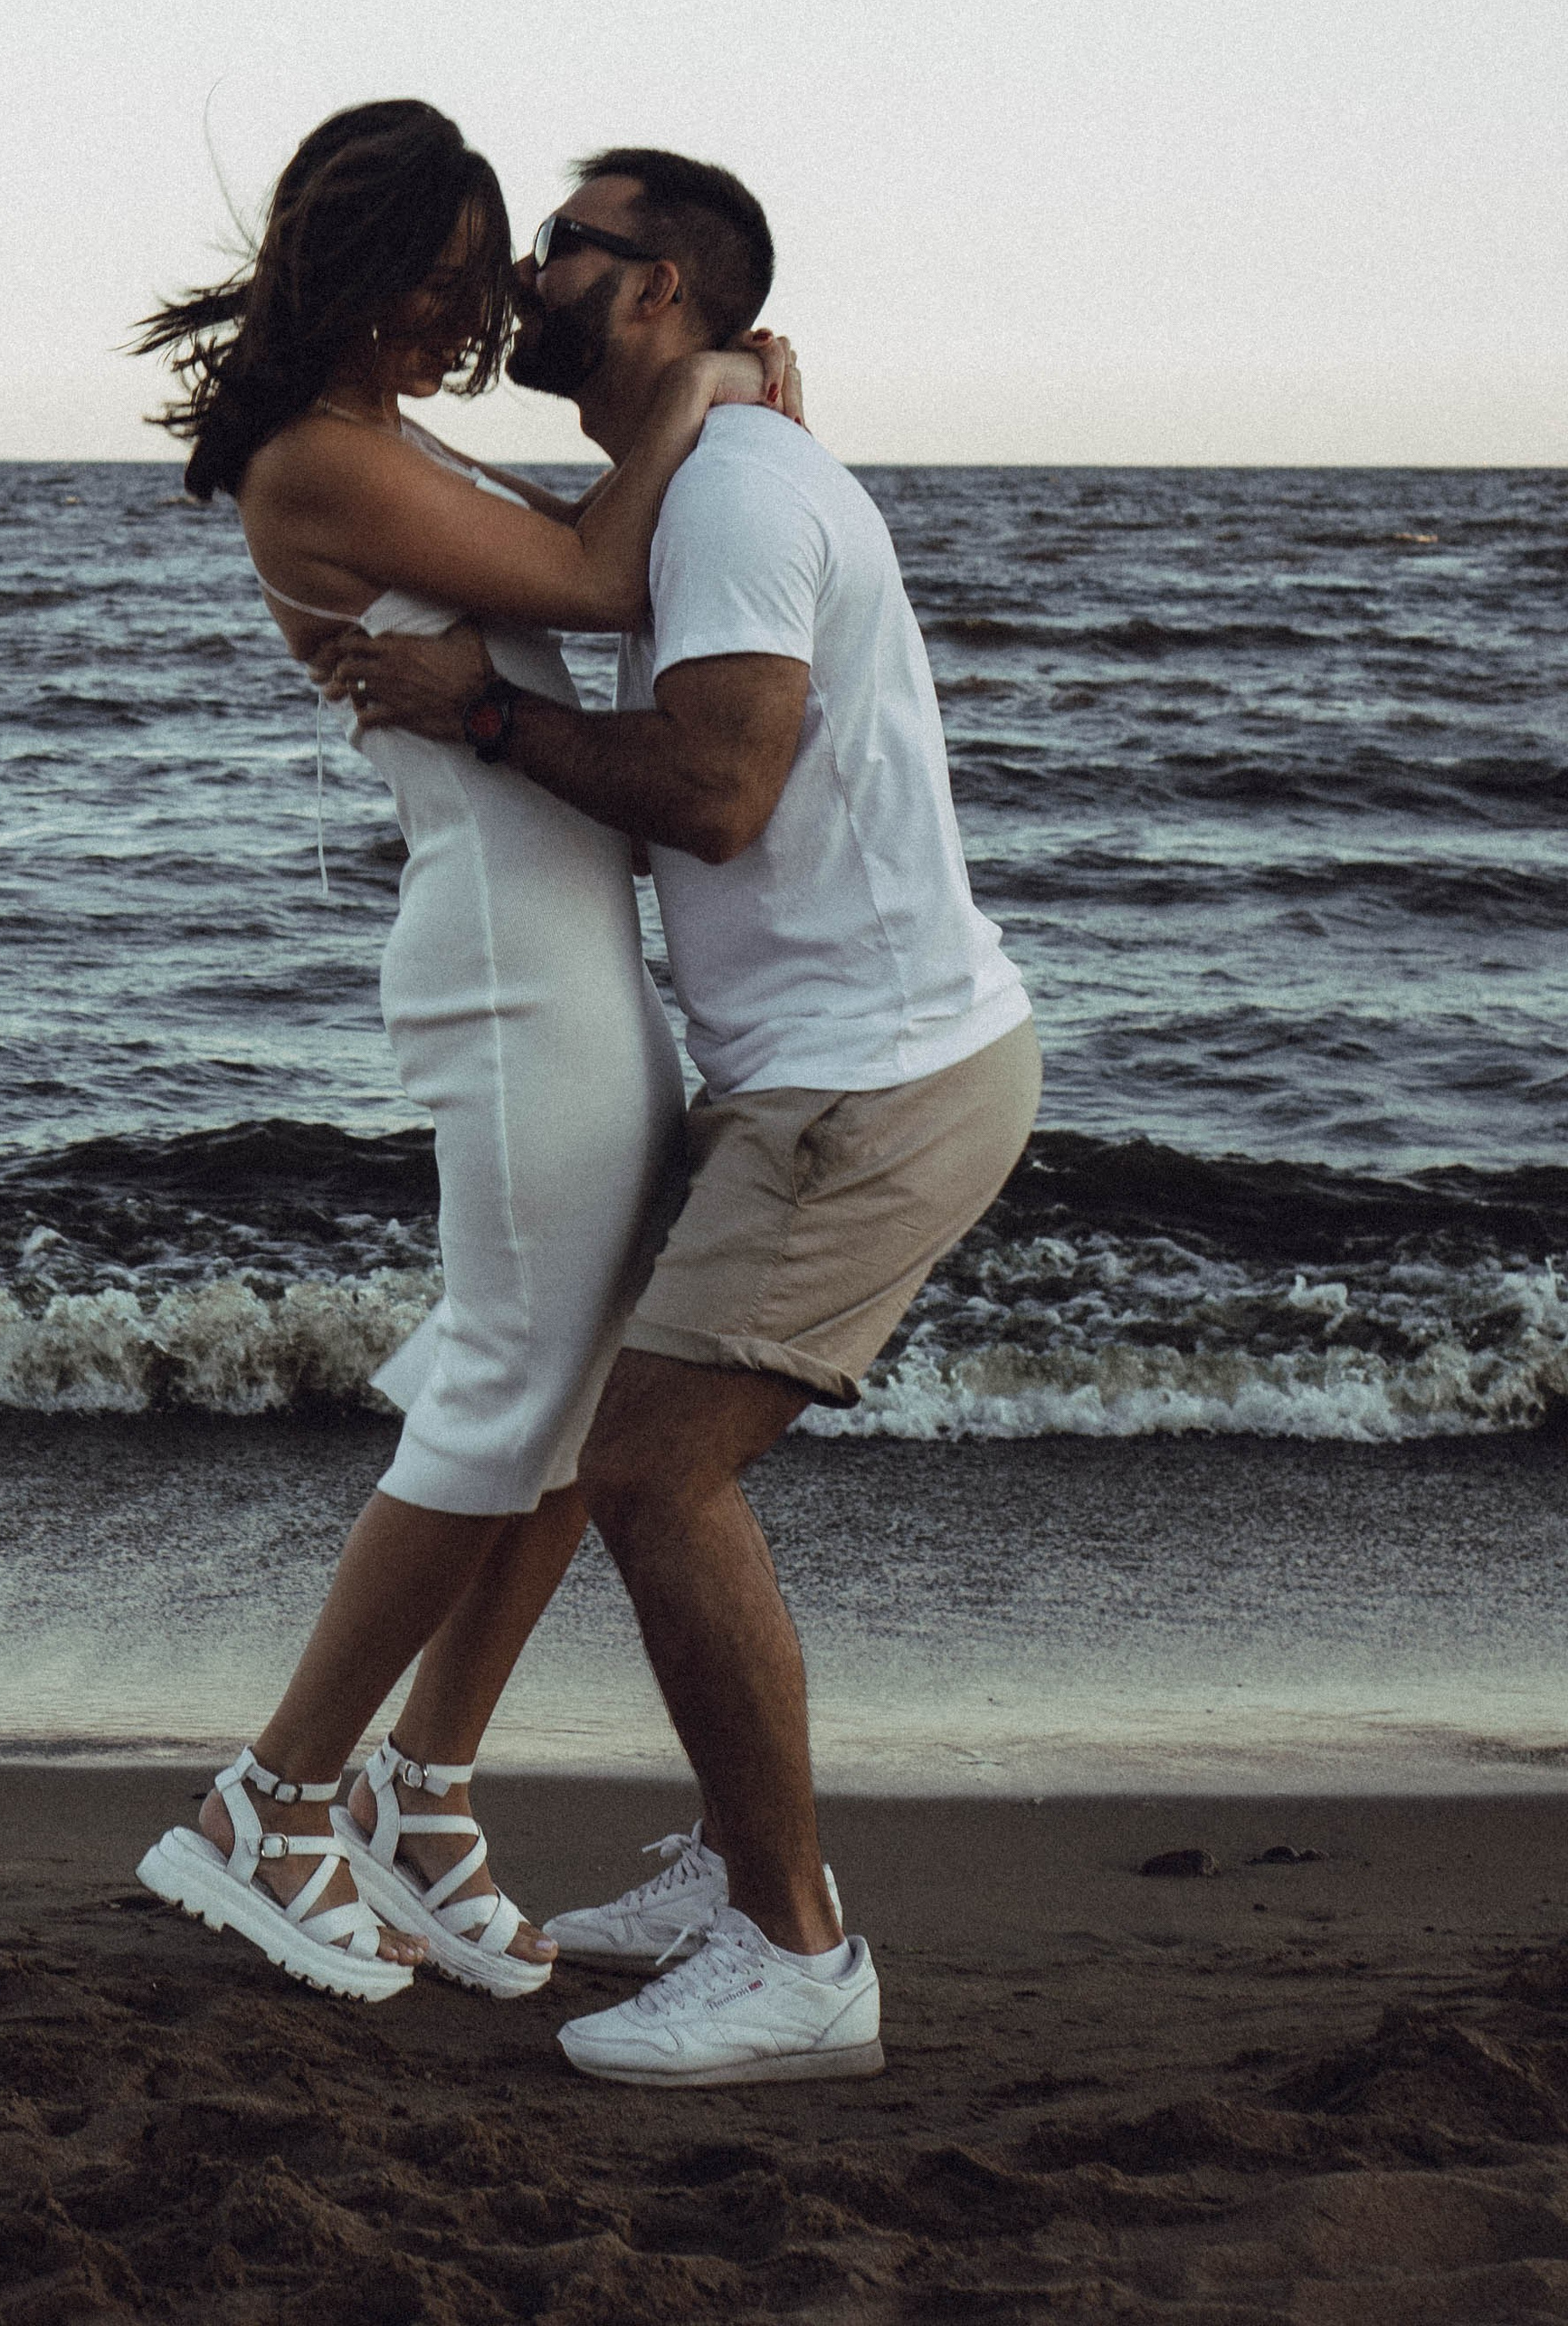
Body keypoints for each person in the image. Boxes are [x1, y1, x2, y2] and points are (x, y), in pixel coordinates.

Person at [318, 147, 1041, 2084]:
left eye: (565, 245)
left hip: (865, 1088)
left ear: (654, 291)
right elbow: (572, 559)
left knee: (648, 1474)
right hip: (827, 1070)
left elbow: (715, 792)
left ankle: (795, 1953)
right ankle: (734, 1868)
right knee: (604, 1440)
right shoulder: (708, 479)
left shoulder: (731, 494)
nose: (531, 275)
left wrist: (473, 715)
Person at [128, 101, 797, 2004]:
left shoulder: (387, 432)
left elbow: (615, 566)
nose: (468, 322)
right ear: (341, 269)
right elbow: (595, 577)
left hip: (568, 945)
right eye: (433, 285)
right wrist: (721, 375)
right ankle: (269, 1803)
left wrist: (733, 415)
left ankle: (419, 1804)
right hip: (508, 964)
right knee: (510, 1393)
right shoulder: (310, 465)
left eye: (479, 285)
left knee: (579, 1410)